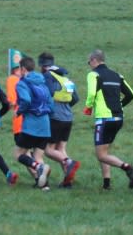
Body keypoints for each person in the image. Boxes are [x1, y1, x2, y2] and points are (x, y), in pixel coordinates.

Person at [84, 49, 133, 189]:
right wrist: (120, 106)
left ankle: (128, 168)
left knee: (101, 155)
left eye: (89, 62)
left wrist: (88, 107)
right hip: (118, 118)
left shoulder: (93, 74)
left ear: (94, 60)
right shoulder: (117, 75)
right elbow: (131, 95)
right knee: (104, 151)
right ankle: (106, 184)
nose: (89, 65)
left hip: (104, 119)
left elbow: (91, 93)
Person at [39, 52, 81, 188]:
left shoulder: (47, 76)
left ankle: (69, 162)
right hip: (68, 118)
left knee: (48, 150)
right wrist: (65, 107)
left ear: (42, 65)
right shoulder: (64, 78)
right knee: (61, 148)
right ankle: (68, 181)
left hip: (55, 118)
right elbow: (76, 98)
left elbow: (50, 92)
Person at [15, 56, 54, 190]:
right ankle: (44, 186)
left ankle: (39, 167)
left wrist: (19, 111)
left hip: (31, 125)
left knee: (19, 154)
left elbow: (25, 100)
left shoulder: (22, 83)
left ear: (23, 69)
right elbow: (51, 104)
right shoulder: (42, 82)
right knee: (38, 156)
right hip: (45, 125)